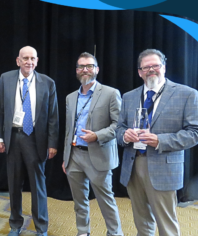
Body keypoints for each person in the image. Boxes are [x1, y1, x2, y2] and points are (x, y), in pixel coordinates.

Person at [116, 49, 198, 235]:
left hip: (164, 166)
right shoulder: (128, 97)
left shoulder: (187, 94)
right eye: (146, 67)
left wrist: (160, 140)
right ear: (139, 72)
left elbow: (196, 132)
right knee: (141, 221)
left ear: (163, 67)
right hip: (132, 166)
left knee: (167, 225)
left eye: (155, 65)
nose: (151, 70)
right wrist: (125, 135)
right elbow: (119, 128)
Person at [0, 46, 59, 236]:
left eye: (32, 58)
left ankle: (41, 227)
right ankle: (15, 225)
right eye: (25, 58)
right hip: (13, 137)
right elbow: (0, 108)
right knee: (14, 184)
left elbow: (53, 117)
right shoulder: (5, 79)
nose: (29, 62)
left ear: (37, 61)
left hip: (35, 140)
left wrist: (52, 143)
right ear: (18, 60)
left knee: (38, 186)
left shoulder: (48, 82)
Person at [62, 52, 123, 236]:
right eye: (81, 66)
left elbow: (119, 126)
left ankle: (115, 233)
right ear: (76, 71)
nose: (85, 70)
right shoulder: (70, 97)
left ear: (96, 69)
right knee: (79, 201)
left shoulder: (111, 93)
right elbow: (68, 130)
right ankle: (83, 232)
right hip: (74, 156)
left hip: (98, 155)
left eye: (89, 66)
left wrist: (97, 136)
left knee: (106, 201)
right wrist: (66, 157)